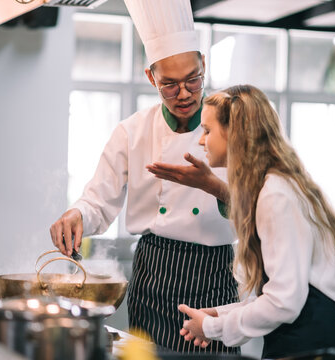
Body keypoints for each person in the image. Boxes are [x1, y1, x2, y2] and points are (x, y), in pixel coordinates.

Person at [49, 0, 239, 354]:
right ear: (150, 77)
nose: (184, 94)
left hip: (215, 275)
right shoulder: (131, 132)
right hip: (155, 273)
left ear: (204, 66)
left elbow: (257, 204)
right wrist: (77, 214)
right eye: (169, 84)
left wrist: (212, 186)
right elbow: (97, 201)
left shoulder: (234, 127)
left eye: (192, 80)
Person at [155, 84, 335, 358]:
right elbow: (275, 295)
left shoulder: (275, 195)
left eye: (207, 130)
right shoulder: (276, 187)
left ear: (235, 134)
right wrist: (217, 315)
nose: (201, 140)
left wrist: (213, 326)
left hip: (313, 348)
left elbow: (284, 303)